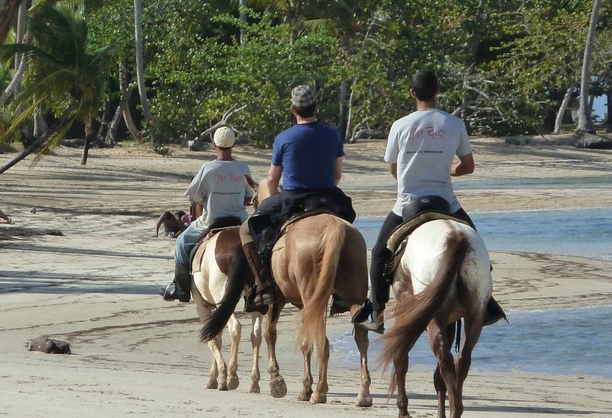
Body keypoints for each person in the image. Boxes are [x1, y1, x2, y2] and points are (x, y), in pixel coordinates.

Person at [352, 69, 504, 329]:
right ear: (438, 90)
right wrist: (449, 169)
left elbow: (393, 169)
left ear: (412, 93)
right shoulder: (455, 124)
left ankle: (377, 313)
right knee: (478, 249)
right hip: (446, 203)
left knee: (379, 253)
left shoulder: (400, 125)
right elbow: (468, 166)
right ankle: (486, 303)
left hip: (407, 205)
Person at [239, 84, 354, 311]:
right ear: (316, 107)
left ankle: (263, 288)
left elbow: (272, 180)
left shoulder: (284, 138)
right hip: (329, 196)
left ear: (293, 110)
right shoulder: (332, 135)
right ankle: (345, 286)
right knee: (348, 222)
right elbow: (337, 176)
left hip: (293, 198)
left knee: (246, 230)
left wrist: (272, 198)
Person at [162, 126, 257, 302]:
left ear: (214, 144)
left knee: (181, 244)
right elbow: (248, 197)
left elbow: (195, 197)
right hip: (240, 221)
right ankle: (261, 286)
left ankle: (181, 289)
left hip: (211, 221)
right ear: (233, 144)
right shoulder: (243, 168)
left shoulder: (208, 168)